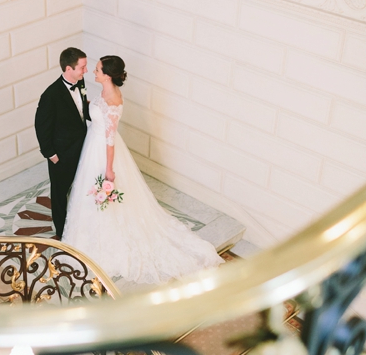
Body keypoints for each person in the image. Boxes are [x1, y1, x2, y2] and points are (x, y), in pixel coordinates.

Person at [62, 55, 224, 285]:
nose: (94, 72)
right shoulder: (107, 92)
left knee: (107, 200)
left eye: (97, 70)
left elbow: (109, 140)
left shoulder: (114, 100)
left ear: (107, 75)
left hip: (103, 151)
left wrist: (109, 170)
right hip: (94, 144)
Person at [34, 47, 91, 239]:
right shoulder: (50, 95)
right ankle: (61, 232)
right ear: (69, 69)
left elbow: (80, 114)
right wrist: (51, 155)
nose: (86, 71)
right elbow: (42, 127)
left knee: (80, 187)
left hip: (82, 148)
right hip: (62, 154)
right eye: (82, 67)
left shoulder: (80, 84)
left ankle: (79, 222)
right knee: (59, 194)